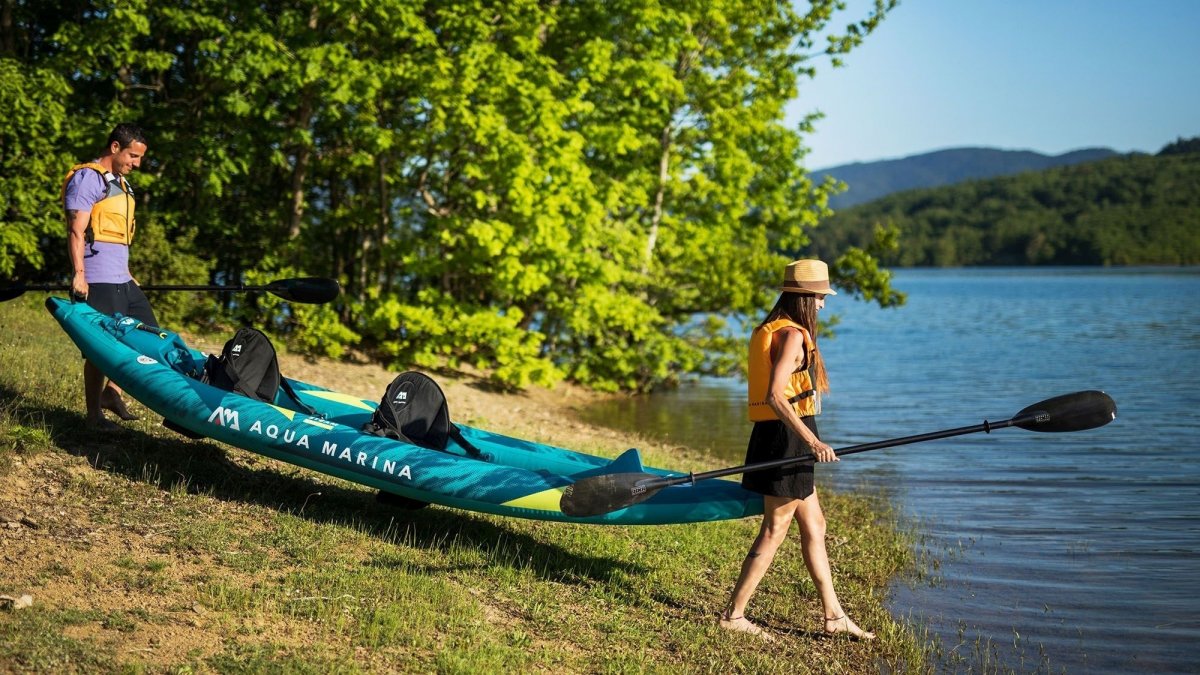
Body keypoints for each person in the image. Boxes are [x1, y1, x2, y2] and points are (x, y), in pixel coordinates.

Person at [718, 258, 875, 641]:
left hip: (783, 435)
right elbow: (775, 396)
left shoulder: (771, 328)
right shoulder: (790, 335)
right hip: (787, 438)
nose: (822, 305)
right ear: (804, 298)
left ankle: (834, 616)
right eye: (820, 297)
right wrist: (812, 441)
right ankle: (733, 615)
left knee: (815, 525)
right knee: (775, 528)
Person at [62, 122, 157, 430]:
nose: (137, 164)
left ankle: (112, 393)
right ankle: (93, 417)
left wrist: (129, 273)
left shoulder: (120, 182)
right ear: (115, 148)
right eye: (133, 156)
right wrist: (79, 275)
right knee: (100, 349)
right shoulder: (88, 178)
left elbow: (119, 237)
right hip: (98, 277)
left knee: (148, 336)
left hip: (122, 278)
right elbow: (76, 230)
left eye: (140, 158)